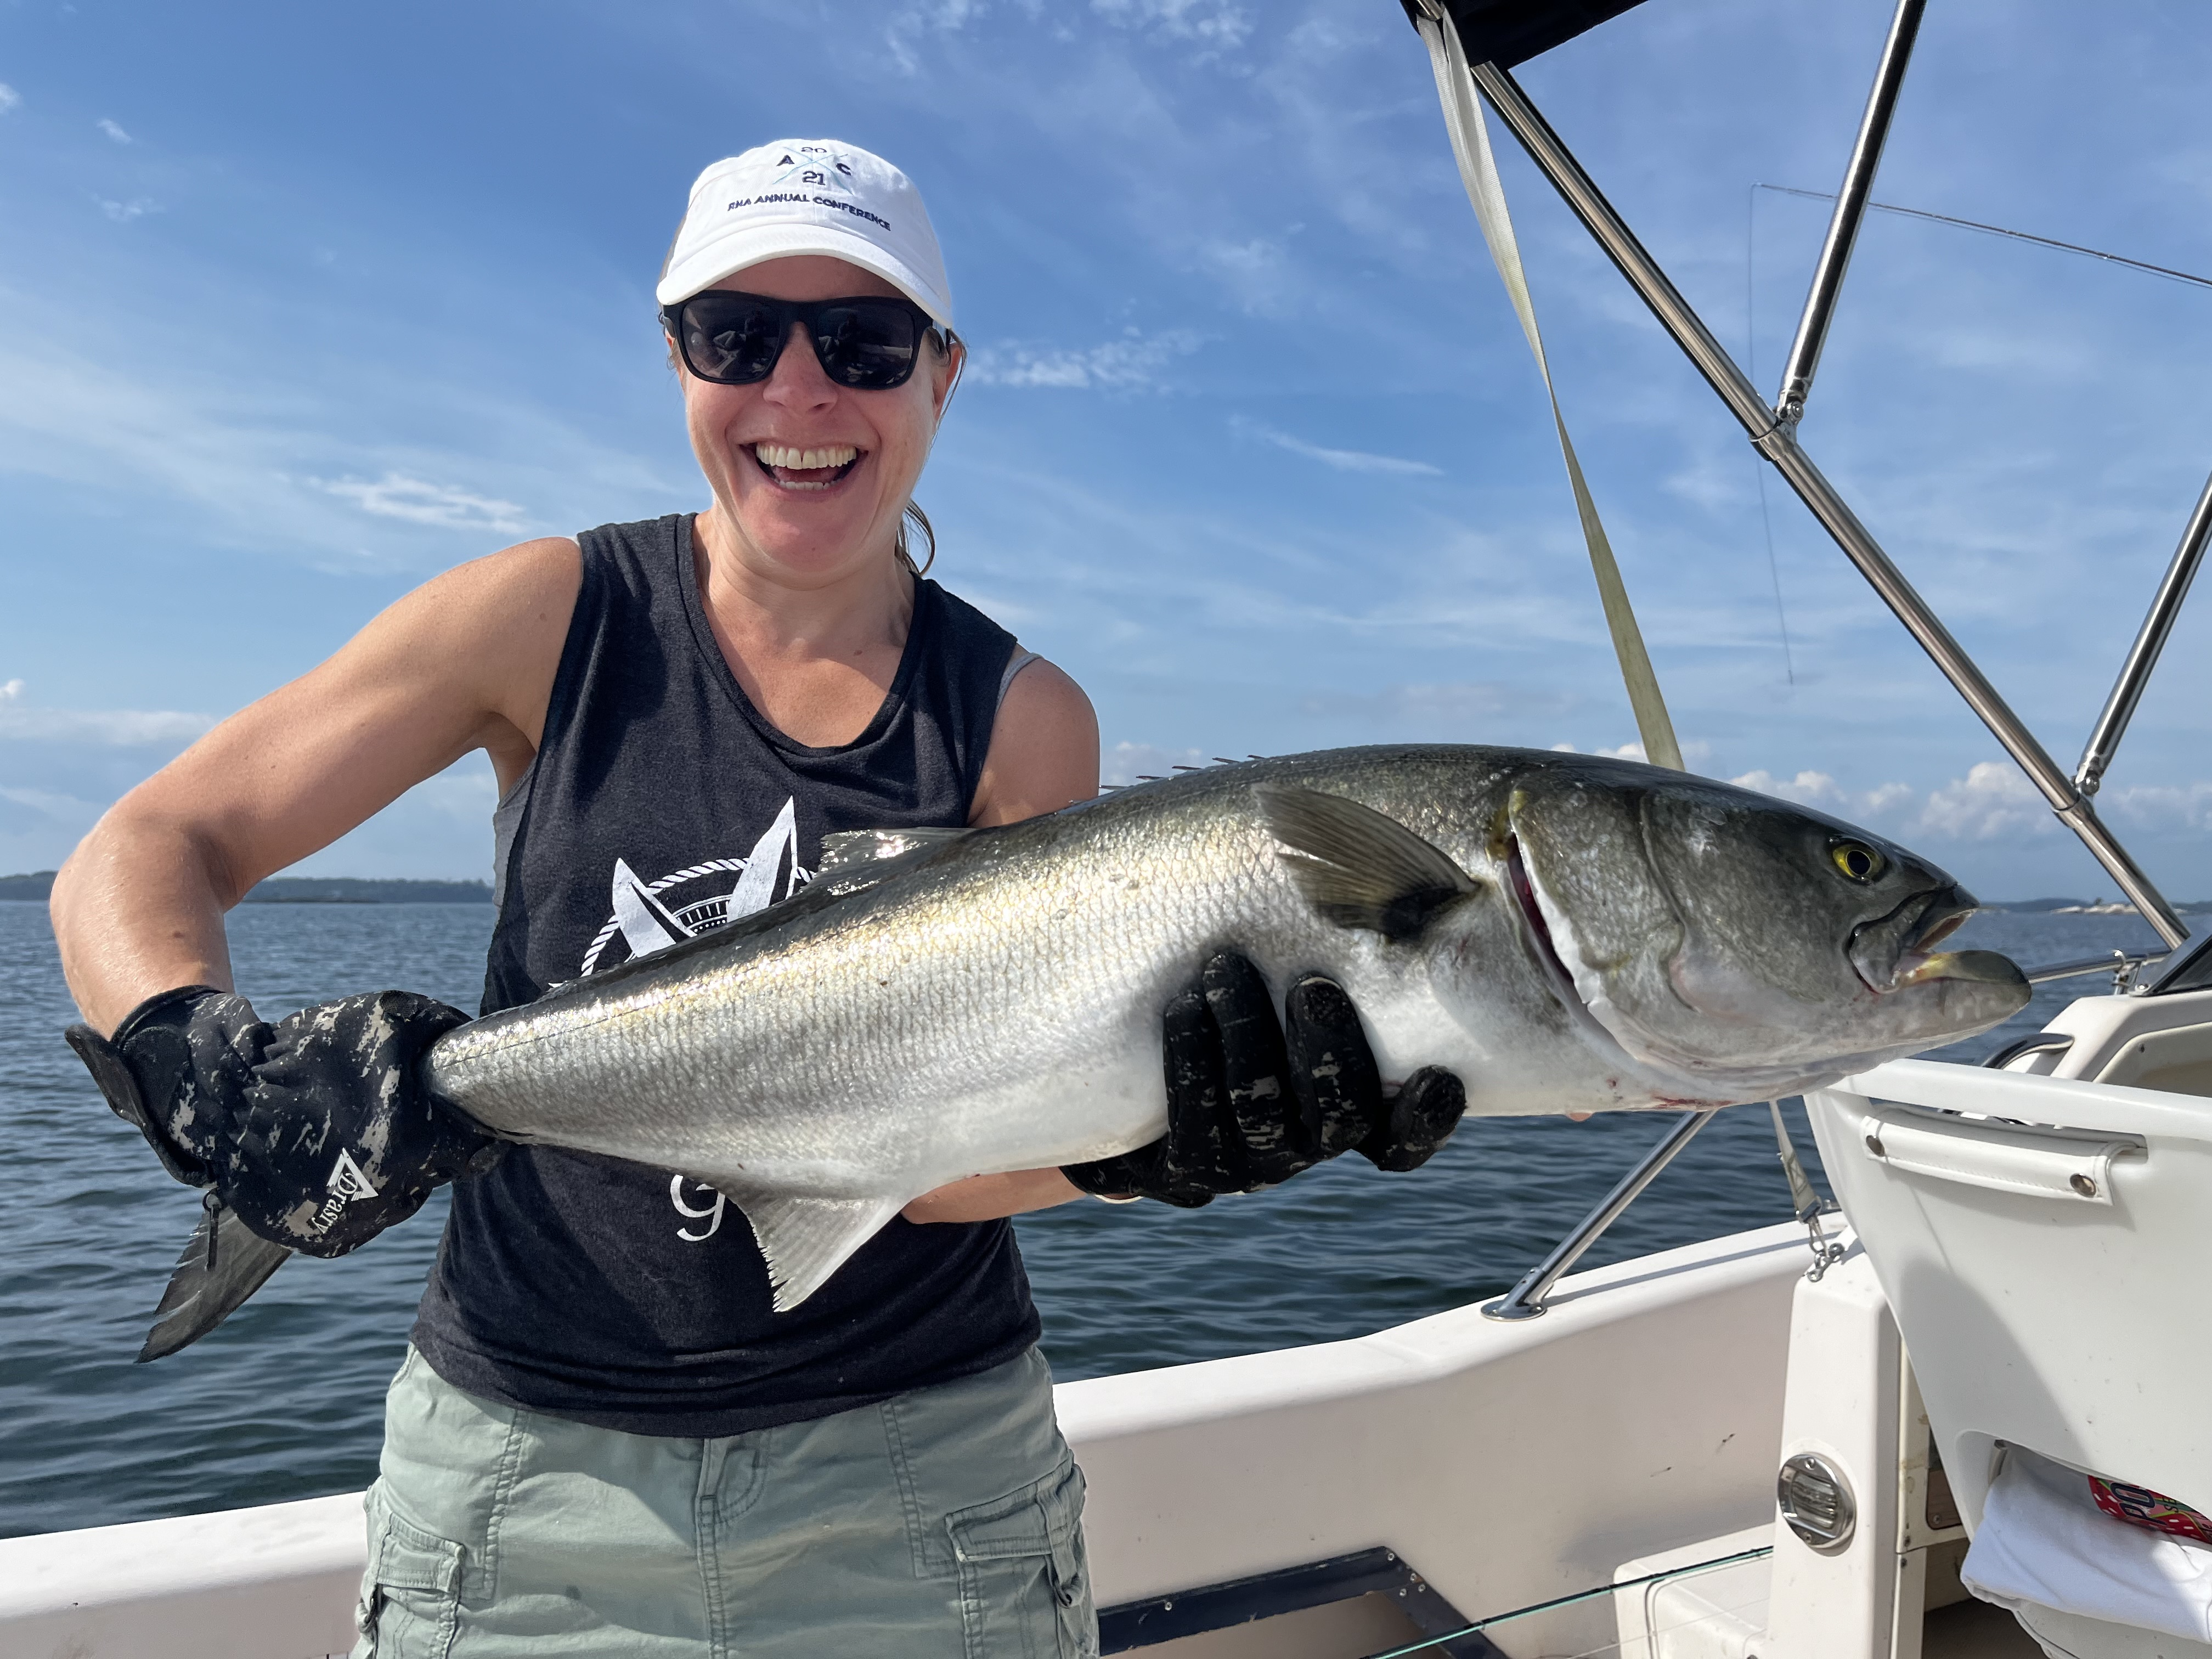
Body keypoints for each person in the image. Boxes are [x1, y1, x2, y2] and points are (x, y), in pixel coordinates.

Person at [52, 139, 1469, 1657]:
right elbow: (157, 839)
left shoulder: (1017, 714)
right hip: (526, 1480)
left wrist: (1141, 1149)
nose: (800, 390)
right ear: (677, 361)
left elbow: (943, 1170)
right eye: (738, 335)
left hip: (922, 1487)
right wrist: (193, 1051)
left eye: (861, 343)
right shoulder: (546, 618)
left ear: (943, 376)